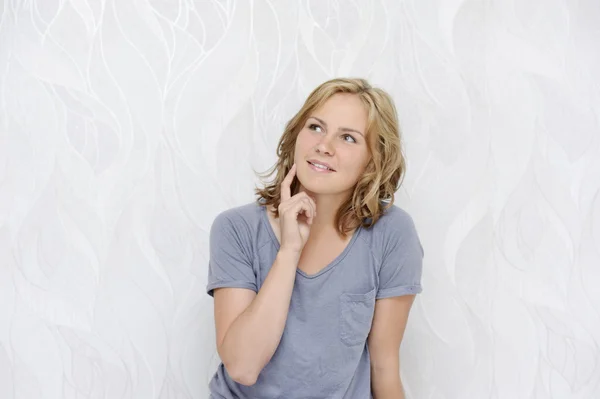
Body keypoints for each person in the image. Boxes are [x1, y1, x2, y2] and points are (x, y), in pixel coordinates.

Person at [206, 77, 424, 398]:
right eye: (316, 127)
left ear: (373, 161)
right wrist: (289, 252)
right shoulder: (236, 228)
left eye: (348, 137)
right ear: (296, 135)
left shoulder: (391, 233)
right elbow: (242, 366)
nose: (324, 145)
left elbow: (384, 366)